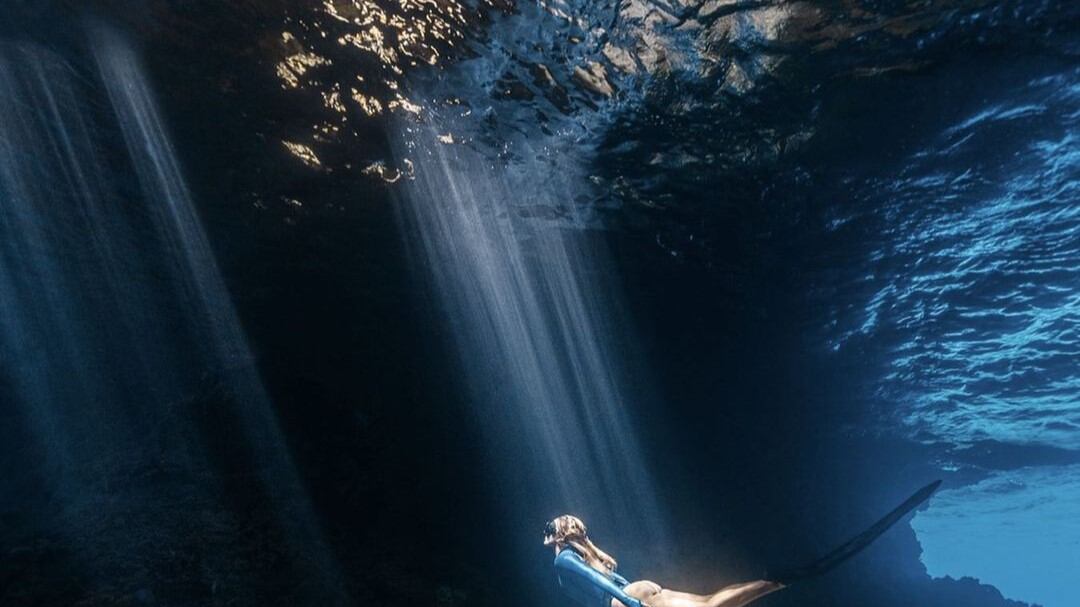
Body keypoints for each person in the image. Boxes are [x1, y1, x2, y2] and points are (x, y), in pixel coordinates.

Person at [544, 481, 941, 607]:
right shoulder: (577, 556)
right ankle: (779, 579)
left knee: (713, 605)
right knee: (713, 603)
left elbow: (606, 590)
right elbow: (610, 583)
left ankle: (783, 578)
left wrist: (635, 606)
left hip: (634, 601)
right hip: (641, 593)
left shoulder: (563, 559)